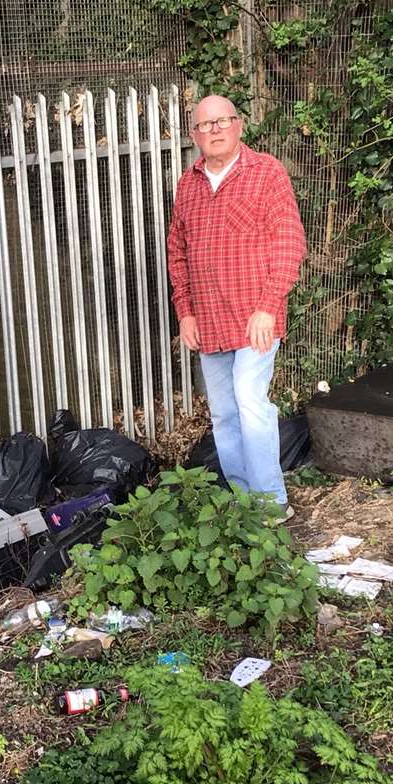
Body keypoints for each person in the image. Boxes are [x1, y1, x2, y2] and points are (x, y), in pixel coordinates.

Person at [166, 94, 306, 519]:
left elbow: (289, 242)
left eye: (222, 121)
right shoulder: (187, 185)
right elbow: (178, 252)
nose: (215, 130)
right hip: (208, 320)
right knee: (225, 415)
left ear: (238, 125)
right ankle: (243, 500)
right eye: (205, 125)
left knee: (250, 401)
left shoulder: (266, 173)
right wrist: (185, 311)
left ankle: (272, 503)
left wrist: (269, 305)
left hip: (254, 319)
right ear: (194, 135)